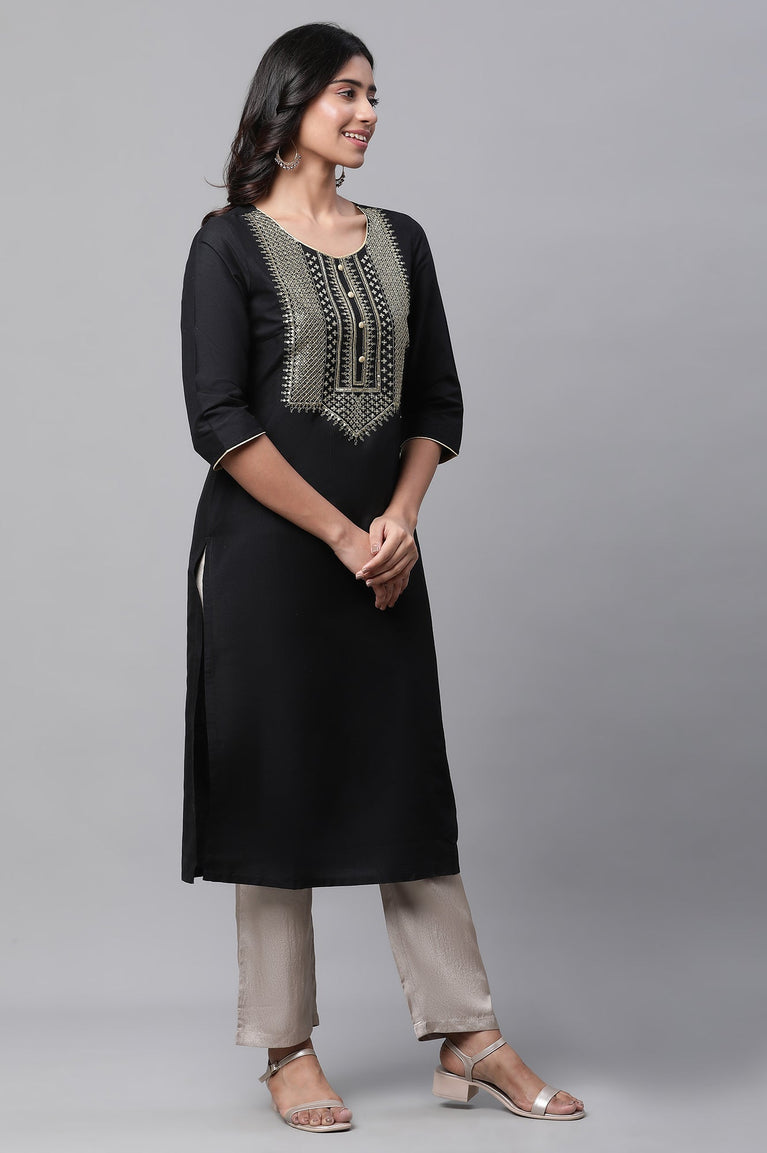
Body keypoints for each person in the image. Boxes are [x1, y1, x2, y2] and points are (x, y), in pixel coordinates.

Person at [180, 20, 585, 1134]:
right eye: (346, 93)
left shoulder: (401, 241)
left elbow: (435, 400)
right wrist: (338, 531)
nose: (366, 112)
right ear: (289, 102)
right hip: (267, 559)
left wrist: (397, 520)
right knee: (274, 787)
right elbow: (217, 417)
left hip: (382, 561)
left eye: (373, 95)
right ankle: (286, 1048)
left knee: (407, 781)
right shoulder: (226, 246)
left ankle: (468, 1033)